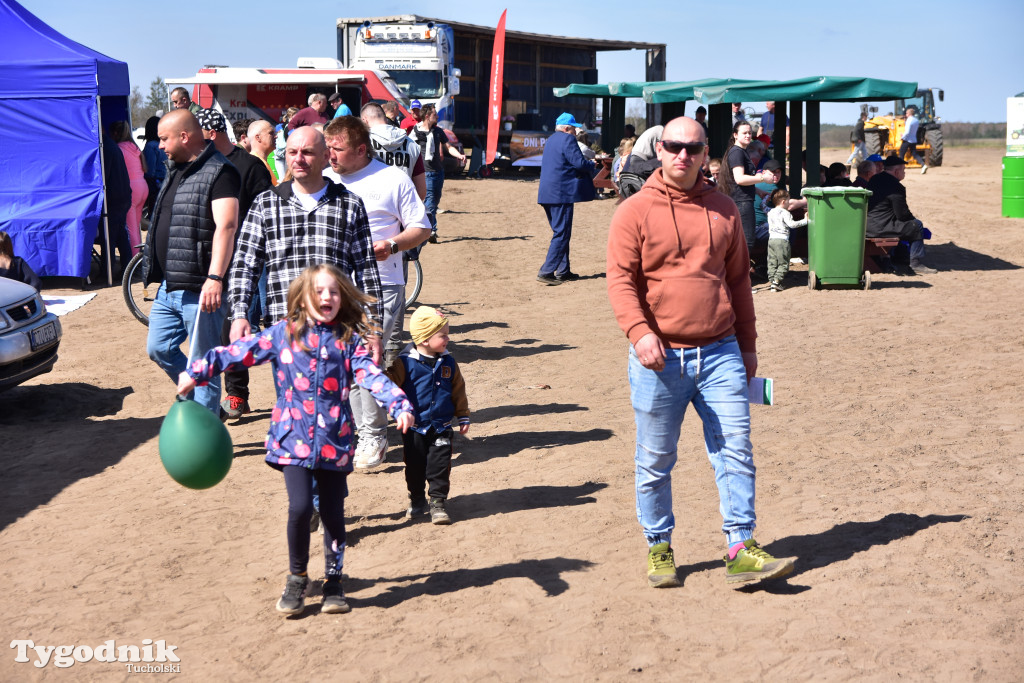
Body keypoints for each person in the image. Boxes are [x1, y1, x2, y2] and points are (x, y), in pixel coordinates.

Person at [606, 115, 795, 589]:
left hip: (721, 352)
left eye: (692, 148)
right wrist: (639, 332)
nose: (682, 156)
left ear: (705, 153)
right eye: (673, 147)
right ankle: (659, 547)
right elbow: (620, 281)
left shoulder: (725, 209)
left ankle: (740, 546)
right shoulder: (634, 211)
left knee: (736, 451)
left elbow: (739, 283)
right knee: (655, 459)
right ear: (660, 149)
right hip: (658, 359)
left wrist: (748, 347)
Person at [177, 264, 414, 615]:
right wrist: (195, 373)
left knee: (333, 512)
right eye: (319, 291)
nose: (327, 297)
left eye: (333, 291)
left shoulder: (348, 341)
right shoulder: (282, 334)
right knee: (301, 508)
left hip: (334, 440)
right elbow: (236, 352)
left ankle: (334, 580)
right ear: (302, 299)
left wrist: (398, 403)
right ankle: (297, 577)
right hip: (292, 439)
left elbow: (371, 376)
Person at [322, 116, 432, 470]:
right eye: (327, 149)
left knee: (364, 361)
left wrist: (393, 244)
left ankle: (374, 436)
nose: (330, 156)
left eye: (337, 150)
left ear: (360, 149)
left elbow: (422, 227)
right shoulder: (324, 179)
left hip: (381, 284)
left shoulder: (391, 178)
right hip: (334, 288)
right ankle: (365, 429)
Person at [226, 126, 384, 362]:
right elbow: (244, 265)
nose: (298, 159)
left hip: (337, 331)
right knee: (291, 399)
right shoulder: (266, 204)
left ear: (325, 156)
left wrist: (372, 327)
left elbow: (366, 272)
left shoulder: (349, 204)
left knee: (336, 398)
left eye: (307, 152)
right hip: (285, 331)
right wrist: (240, 315)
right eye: (292, 152)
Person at [145, 109, 240, 415]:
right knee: (159, 348)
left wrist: (215, 278)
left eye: (164, 139)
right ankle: (205, 405)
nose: (160, 146)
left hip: (201, 287)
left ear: (184, 137)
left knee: (203, 363)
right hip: (169, 285)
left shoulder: (220, 171)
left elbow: (227, 226)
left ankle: (207, 430)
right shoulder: (176, 169)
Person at [197, 108, 274, 419]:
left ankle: (237, 395)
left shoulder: (249, 166)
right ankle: (211, 396)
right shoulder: (201, 166)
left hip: (242, 258)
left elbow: (266, 212)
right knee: (209, 333)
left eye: (200, 140)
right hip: (210, 259)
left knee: (235, 326)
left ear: (213, 134)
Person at [386, 306, 470, 525]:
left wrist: (463, 415)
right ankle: (416, 499)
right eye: (442, 335)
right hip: (414, 428)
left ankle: (438, 503)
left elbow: (458, 389)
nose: (448, 339)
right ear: (424, 339)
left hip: (441, 425)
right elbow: (388, 387)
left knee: (440, 466)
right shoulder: (404, 363)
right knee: (414, 467)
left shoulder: (449, 362)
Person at [536, 112, 596, 285]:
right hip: (561, 193)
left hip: (546, 193)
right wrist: (592, 165)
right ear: (567, 128)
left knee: (560, 231)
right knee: (562, 232)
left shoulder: (551, 140)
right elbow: (578, 163)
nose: (576, 132)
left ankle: (563, 270)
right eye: (574, 129)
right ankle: (547, 271)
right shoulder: (568, 140)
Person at [866, 155, 937, 274]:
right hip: (881, 227)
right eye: (903, 170)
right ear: (896, 171)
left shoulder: (874, 179)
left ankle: (899, 257)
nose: (904, 173)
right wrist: (914, 221)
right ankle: (915, 263)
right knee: (916, 226)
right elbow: (902, 215)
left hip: (867, 225)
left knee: (909, 226)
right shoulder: (896, 187)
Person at [412, 104, 466, 243]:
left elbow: (448, 147)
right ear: (427, 116)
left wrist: (459, 155)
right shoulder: (416, 131)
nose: (437, 116)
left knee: (435, 201)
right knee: (430, 201)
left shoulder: (438, 131)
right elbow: (409, 147)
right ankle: (432, 230)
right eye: (435, 114)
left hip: (438, 172)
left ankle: (426, 227)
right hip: (425, 172)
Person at [719, 120, 772, 254]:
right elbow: (740, 179)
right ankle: (739, 273)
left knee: (741, 240)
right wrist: (763, 178)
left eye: (749, 133)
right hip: (741, 202)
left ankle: (737, 272)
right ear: (735, 135)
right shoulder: (737, 152)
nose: (748, 135)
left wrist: (757, 190)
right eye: (744, 133)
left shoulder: (739, 151)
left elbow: (734, 181)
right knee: (747, 241)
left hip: (741, 200)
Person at [361, 102, 426, 200]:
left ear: (364, 120)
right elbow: (421, 192)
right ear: (385, 118)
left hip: (373, 208)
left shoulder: (363, 143)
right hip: (403, 207)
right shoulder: (412, 145)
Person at [111, 120, 149, 256]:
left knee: (131, 228)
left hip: (132, 188)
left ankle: (134, 260)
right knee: (136, 226)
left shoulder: (119, 148)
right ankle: (139, 256)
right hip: (143, 187)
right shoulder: (134, 146)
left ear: (115, 133)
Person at [766, 188, 808, 291]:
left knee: (772, 261)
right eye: (788, 201)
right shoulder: (785, 213)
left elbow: (763, 206)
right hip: (782, 241)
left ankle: (772, 281)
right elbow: (792, 224)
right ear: (784, 201)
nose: (789, 203)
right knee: (783, 262)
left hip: (771, 240)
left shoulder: (770, 211)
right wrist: (805, 220)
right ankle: (776, 281)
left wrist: (765, 199)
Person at [142, 115, 168, 218]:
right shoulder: (163, 144)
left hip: (155, 184)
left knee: (153, 217)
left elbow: (149, 170)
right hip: (165, 181)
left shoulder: (150, 146)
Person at [247, 119, 278, 185]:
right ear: (258, 137)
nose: (276, 136)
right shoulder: (255, 165)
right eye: (271, 133)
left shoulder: (261, 162)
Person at [900, 107, 928, 173]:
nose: (906, 114)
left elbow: (907, 132)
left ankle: (900, 168)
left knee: (901, 154)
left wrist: (902, 137)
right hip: (914, 140)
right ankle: (923, 165)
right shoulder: (916, 120)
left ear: (909, 113)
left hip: (907, 140)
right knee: (915, 154)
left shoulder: (909, 120)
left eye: (906, 113)